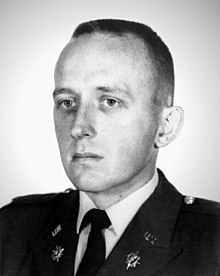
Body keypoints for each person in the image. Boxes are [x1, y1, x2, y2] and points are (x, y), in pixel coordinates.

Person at [0, 19, 219, 276]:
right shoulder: (10, 229)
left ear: (165, 126)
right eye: (67, 102)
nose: (79, 127)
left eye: (110, 101)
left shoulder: (213, 242)